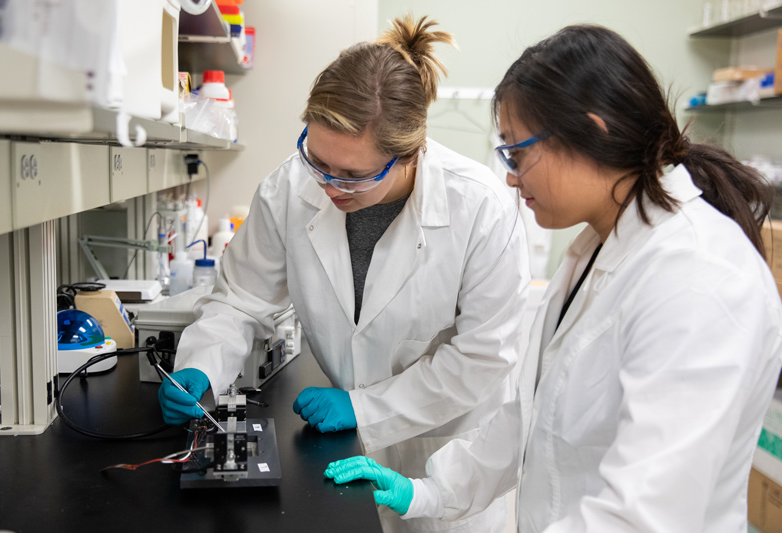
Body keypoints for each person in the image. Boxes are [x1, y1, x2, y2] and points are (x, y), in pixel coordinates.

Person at [325, 24, 782, 532]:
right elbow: (531, 421)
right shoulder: (596, 254)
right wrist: (428, 490)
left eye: (517, 153)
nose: (511, 177)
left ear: (592, 131)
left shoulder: (697, 278)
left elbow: (646, 516)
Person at [158, 14, 530, 533]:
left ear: (409, 154)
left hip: (444, 459)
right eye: (317, 159)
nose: (329, 185)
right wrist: (203, 363)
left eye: (354, 176)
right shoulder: (291, 187)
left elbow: (481, 359)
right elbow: (240, 298)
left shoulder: (481, 210)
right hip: (340, 458)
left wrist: (364, 406)